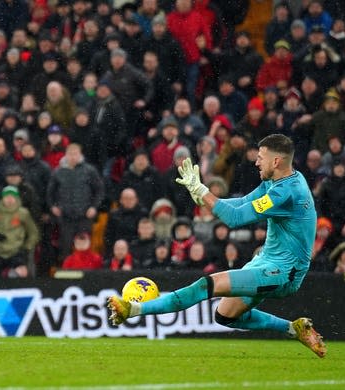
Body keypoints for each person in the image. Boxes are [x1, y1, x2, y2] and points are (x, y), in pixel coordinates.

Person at [107, 134, 327, 358]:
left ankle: (133, 309)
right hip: (265, 261)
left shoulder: (287, 193)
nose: (256, 162)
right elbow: (241, 203)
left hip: (284, 272)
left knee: (205, 285)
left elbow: (235, 218)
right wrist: (204, 197)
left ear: (276, 161)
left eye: (261, 157)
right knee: (225, 316)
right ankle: (294, 328)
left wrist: (204, 192)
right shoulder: (277, 181)